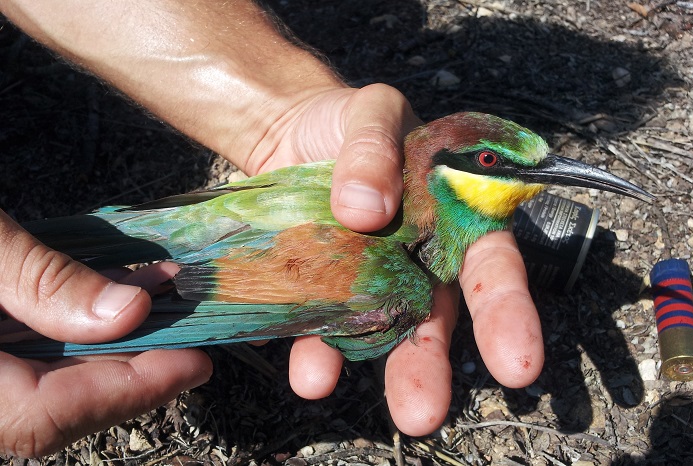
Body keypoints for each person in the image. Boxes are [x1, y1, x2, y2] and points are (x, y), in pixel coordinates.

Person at [0, 0, 545, 458]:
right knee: (392, 302)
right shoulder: (397, 274)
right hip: (226, 247)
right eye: (497, 164)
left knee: (93, 235)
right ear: (443, 169)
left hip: (226, 219)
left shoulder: (397, 186)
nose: (540, 177)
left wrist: (285, 110)